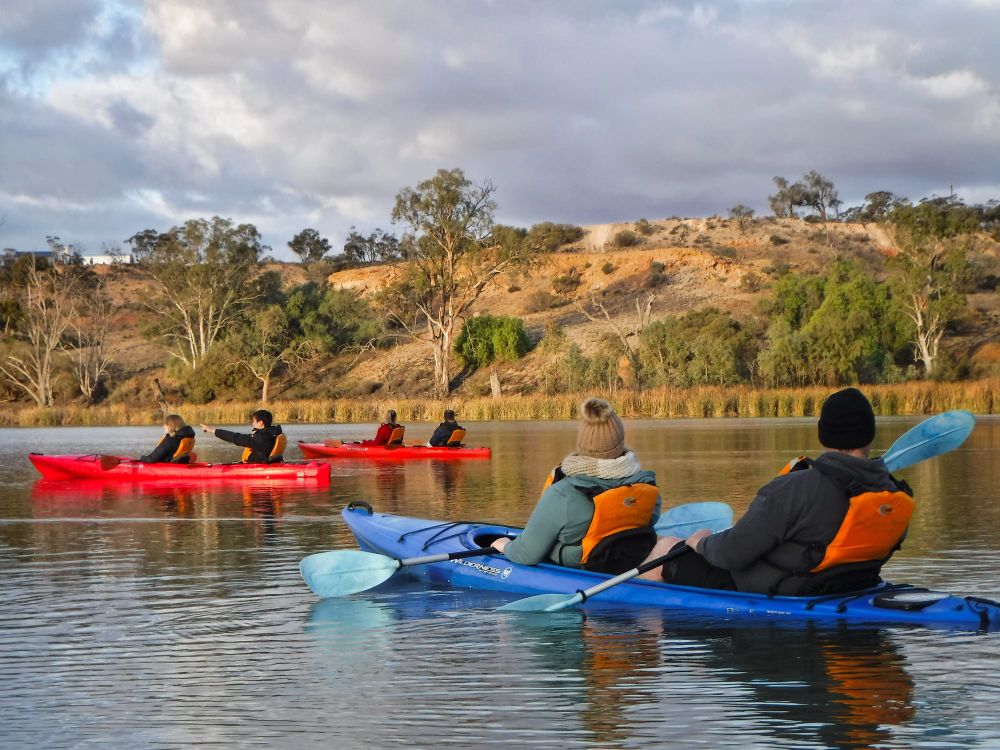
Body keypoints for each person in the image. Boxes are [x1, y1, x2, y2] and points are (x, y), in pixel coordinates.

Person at [642, 387, 914, 595]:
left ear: (823, 435)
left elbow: (731, 554)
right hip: (848, 584)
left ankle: (638, 636)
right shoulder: (893, 492)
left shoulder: (795, 488)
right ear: (870, 435)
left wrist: (699, 542)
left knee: (666, 547)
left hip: (780, 589)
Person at [491, 397, 660, 574]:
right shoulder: (646, 484)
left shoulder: (563, 494)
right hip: (631, 559)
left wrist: (505, 546)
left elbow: (526, 554)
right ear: (620, 442)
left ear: (582, 445)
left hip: (584, 568)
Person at [200, 409, 285, 464]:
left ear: (260, 423)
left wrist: (212, 430)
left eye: (254, 422)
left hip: (258, 466)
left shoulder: (260, 438)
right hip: (262, 463)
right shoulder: (272, 434)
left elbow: (235, 437)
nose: (252, 424)